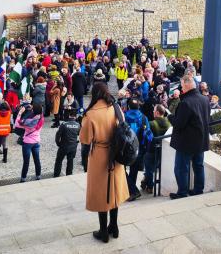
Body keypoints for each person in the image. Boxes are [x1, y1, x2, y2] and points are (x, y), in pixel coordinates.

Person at [79, 81, 129, 243]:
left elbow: (85, 139)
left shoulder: (91, 113)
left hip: (100, 154)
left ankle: (103, 231)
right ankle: (113, 226)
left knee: (102, 192)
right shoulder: (115, 107)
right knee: (114, 190)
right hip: (117, 152)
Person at [168, 74, 210, 199]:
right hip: (201, 140)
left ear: (186, 85)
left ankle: (182, 192)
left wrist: (170, 117)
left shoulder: (185, 103)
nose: (181, 89)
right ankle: (198, 190)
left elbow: (179, 124)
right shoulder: (204, 99)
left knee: (181, 168)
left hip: (186, 142)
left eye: (181, 86)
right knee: (198, 166)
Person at [124, 97, 151, 201]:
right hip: (139, 148)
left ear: (129, 106)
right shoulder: (144, 118)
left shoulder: (124, 117)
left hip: (125, 148)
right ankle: (132, 191)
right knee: (134, 170)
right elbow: (148, 133)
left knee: (121, 169)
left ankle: (133, 191)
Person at [142, 104, 171, 194]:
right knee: (152, 168)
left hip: (151, 150)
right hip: (163, 150)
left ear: (157, 113)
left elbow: (146, 135)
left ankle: (150, 187)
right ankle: (145, 182)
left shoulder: (151, 124)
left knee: (149, 169)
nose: (153, 112)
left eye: (154, 111)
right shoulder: (169, 123)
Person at [14, 103, 44, 182]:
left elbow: (17, 124)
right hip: (36, 141)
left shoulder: (27, 122)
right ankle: (38, 176)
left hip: (27, 142)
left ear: (33, 111)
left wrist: (20, 112)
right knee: (37, 160)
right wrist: (33, 108)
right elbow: (40, 111)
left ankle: (23, 178)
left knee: (26, 162)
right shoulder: (41, 119)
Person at [53, 107, 80, 177]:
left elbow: (57, 135)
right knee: (70, 161)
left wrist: (58, 144)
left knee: (59, 161)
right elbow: (79, 134)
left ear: (69, 115)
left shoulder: (64, 124)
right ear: (76, 116)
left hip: (64, 146)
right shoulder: (78, 125)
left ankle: (56, 175)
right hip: (73, 146)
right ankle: (69, 175)